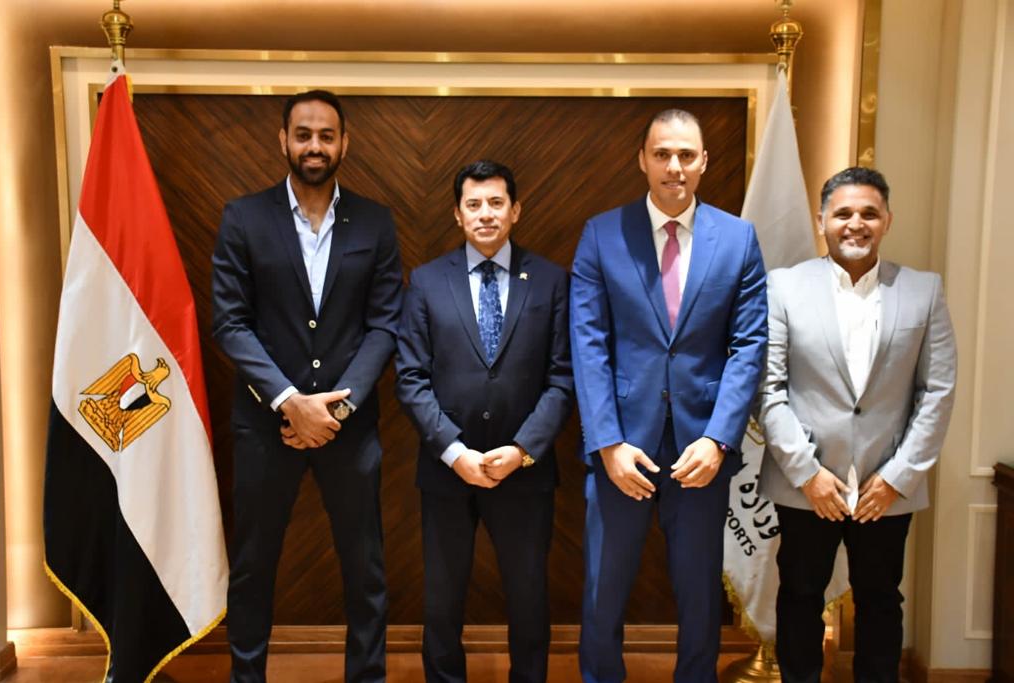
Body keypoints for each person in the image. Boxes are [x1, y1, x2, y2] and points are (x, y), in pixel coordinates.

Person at [569, 109, 768, 683]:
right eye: (662, 154)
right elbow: (588, 344)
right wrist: (607, 443)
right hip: (621, 448)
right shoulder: (602, 234)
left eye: (685, 155)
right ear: (643, 160)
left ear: (704, 161)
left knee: (701, 592)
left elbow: (748, 345)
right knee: (604, 588)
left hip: (701, 450)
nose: (674, 166)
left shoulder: (738, 238)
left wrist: (719, 439)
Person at [212, 89, 402, 683]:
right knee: (253, 567)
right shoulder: (243, 217)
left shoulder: (375, 221)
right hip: (265, 426)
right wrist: (291, 402)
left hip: (350, 427)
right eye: (303, 134)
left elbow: (385, 326)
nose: (314, 146)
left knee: (365, 569)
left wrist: (334, 410)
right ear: (283, 141)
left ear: (344, 143)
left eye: (326, 135)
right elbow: (230, 323)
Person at [757, 166, 957, 683]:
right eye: (843, 213)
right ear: (821, 220)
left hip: (884, 488)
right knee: (799, 597)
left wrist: (896, 477)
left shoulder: (924, 290)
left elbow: (936, 391)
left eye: (869, 213)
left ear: (887, 220)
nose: (855, 223)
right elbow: (768, 390)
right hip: (808, 485)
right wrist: (807, 473)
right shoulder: (783, 287)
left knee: (881, 600)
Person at [395, 160, 574, 683]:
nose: (486, 214)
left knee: (529, 598)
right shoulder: (427, 282)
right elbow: (410, 377)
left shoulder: (551, 281)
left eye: (496, 202)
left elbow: (563, 378)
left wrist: (523, 449)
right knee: (442, 600)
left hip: (525, 469)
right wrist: (454, 452)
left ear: (516, 210)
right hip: (447, 469)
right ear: (457, 214)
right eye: (473, 204)